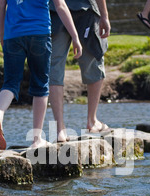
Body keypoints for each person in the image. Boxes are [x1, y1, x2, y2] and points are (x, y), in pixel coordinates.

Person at [0, 0, 82, 150]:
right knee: (41, 85)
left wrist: (3, 35)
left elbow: (0, 6)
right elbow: (60, 6)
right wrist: (75, 37)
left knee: (10, 83)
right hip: (39, 33)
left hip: (13, 35)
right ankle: (36, 139)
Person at [48, 0, 111, 142]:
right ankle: (92, 121)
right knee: (94, 61)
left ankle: (60, 130)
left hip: (55, 11)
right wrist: (104, 16)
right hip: (85, 9)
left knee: (54, 68)